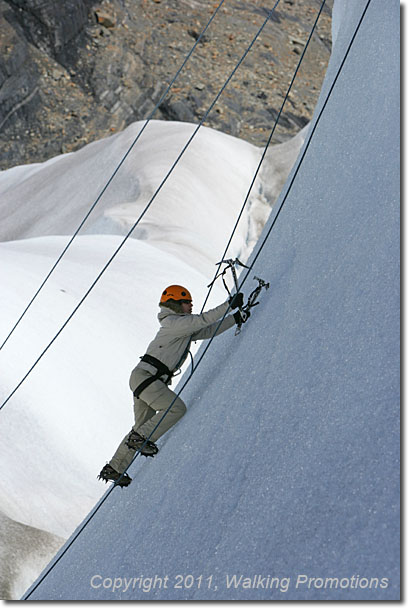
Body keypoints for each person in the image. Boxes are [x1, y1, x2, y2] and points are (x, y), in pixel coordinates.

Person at [98, 284, 249, 486]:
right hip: (148, 377)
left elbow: (207, 330)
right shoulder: (174, 323)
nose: (190, 306)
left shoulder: (180, 326)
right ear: (176, 304)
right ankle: (140, 439)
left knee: (142, 427)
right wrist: (228, 306)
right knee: (175, 409)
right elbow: (203, 320)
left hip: (144, 378)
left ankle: (115, 467)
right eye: (187, 303)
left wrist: (235, 318)